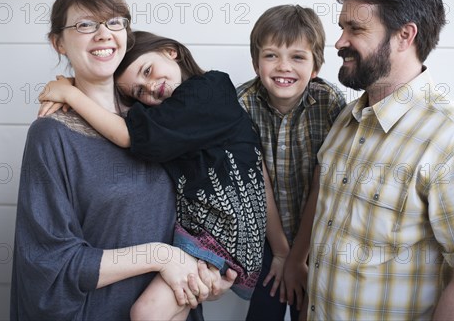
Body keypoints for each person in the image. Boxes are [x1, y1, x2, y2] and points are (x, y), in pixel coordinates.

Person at [11, 0, 235, 321]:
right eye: (85, 25)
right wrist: (160, 256)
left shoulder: (161, 118)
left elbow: (213, 203)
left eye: (113, 22)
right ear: (58, 42)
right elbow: (49, 260)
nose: (102, 34)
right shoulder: (51, 137)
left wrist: (209, 275)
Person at [39, 30, 290, 320]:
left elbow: (126, 134)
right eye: (139, 91)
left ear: (170, 51)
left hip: (223, 232)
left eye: (147, 70)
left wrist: (70, 93)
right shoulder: (171, 115)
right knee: (175, 308)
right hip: (202, 231)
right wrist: (77, 85)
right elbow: (120, 114)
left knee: (146, 312)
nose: (150, 86)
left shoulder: (209, 89)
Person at [306, 0, 454, 320]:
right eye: (341, 28)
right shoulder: (345, 120)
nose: (339, 42)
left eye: (355, 29)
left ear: (405, 35)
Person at [237, 5, 347, 320]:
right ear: (256, 64)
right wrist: (283, 253)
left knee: (309, 305)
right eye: (271, 55)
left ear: (315, 67)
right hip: (265, 233)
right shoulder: (241, 104)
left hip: (317, 231)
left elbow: (324, 180)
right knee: (267, 304)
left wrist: (298, 256)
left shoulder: (329, 102)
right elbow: (257, 182)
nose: (283, 66)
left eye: (297, 57)